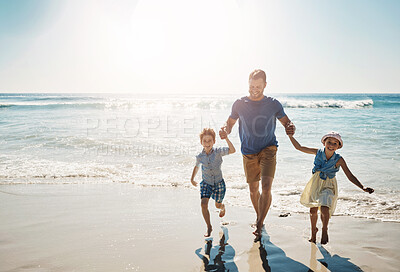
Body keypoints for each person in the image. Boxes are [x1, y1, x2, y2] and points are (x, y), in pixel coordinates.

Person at [219, 69, 295, 240]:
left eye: (258, 86)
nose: (254, 89)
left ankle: (260, 223)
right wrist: (225, 129)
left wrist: (291, 127)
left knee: (266, 187)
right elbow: (230, 123)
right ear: (248, 84)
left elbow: (286, 122)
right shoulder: (239, 103)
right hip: (248, 151)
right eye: (252, 86)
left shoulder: (273, 104)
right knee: (254, 190)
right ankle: (259, 216)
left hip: (269, 148)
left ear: (265, 86)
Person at [288, 132, 374, 244]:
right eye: (329, 142)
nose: (331, 145)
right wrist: (290, 136)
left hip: (329, 184)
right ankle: (313, 232)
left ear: (339, 146)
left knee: (324, 207)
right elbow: (299, 147)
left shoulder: (339, 159)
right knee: (313, 210)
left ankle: (324, 229)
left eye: (335, 143)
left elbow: (350, 175)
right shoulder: (317, 152)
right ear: (324, 143)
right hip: (315, 183)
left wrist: (362, 187)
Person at [190, 128, 235, 237]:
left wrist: (226, 138)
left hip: (219, 183)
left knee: (217, 205)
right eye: (205, 141)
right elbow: (196, 167)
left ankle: (222, 207)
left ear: (214, 141)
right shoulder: (200, 157)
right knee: (203, 204)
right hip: (206, 183)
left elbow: (232, 150)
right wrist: (192, 178)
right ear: (201, 142)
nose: (207, 143)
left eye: (210, 140)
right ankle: (209, 227)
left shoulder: (219, 152)